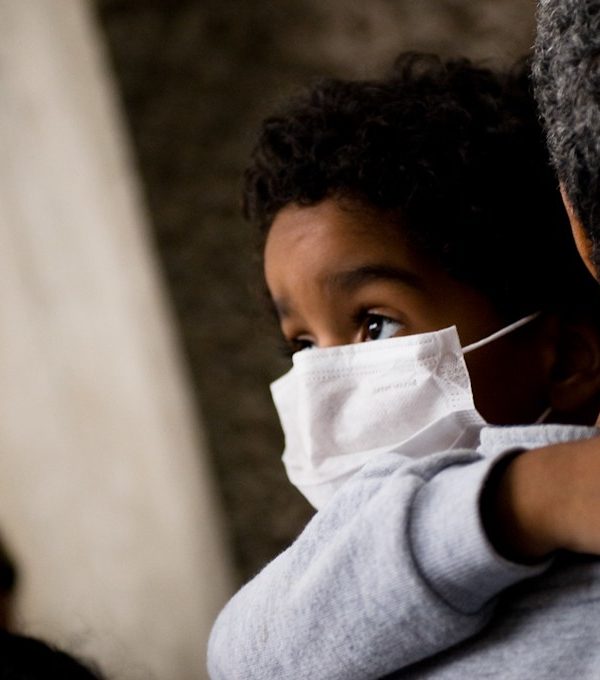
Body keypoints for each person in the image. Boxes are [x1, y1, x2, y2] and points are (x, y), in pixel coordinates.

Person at [208, 54, 600, 679]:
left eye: (375, 325)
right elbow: (243, 656)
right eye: (302, 345)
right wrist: (522, 499)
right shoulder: (346, 577)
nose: (324, 385)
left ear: (567, 360)